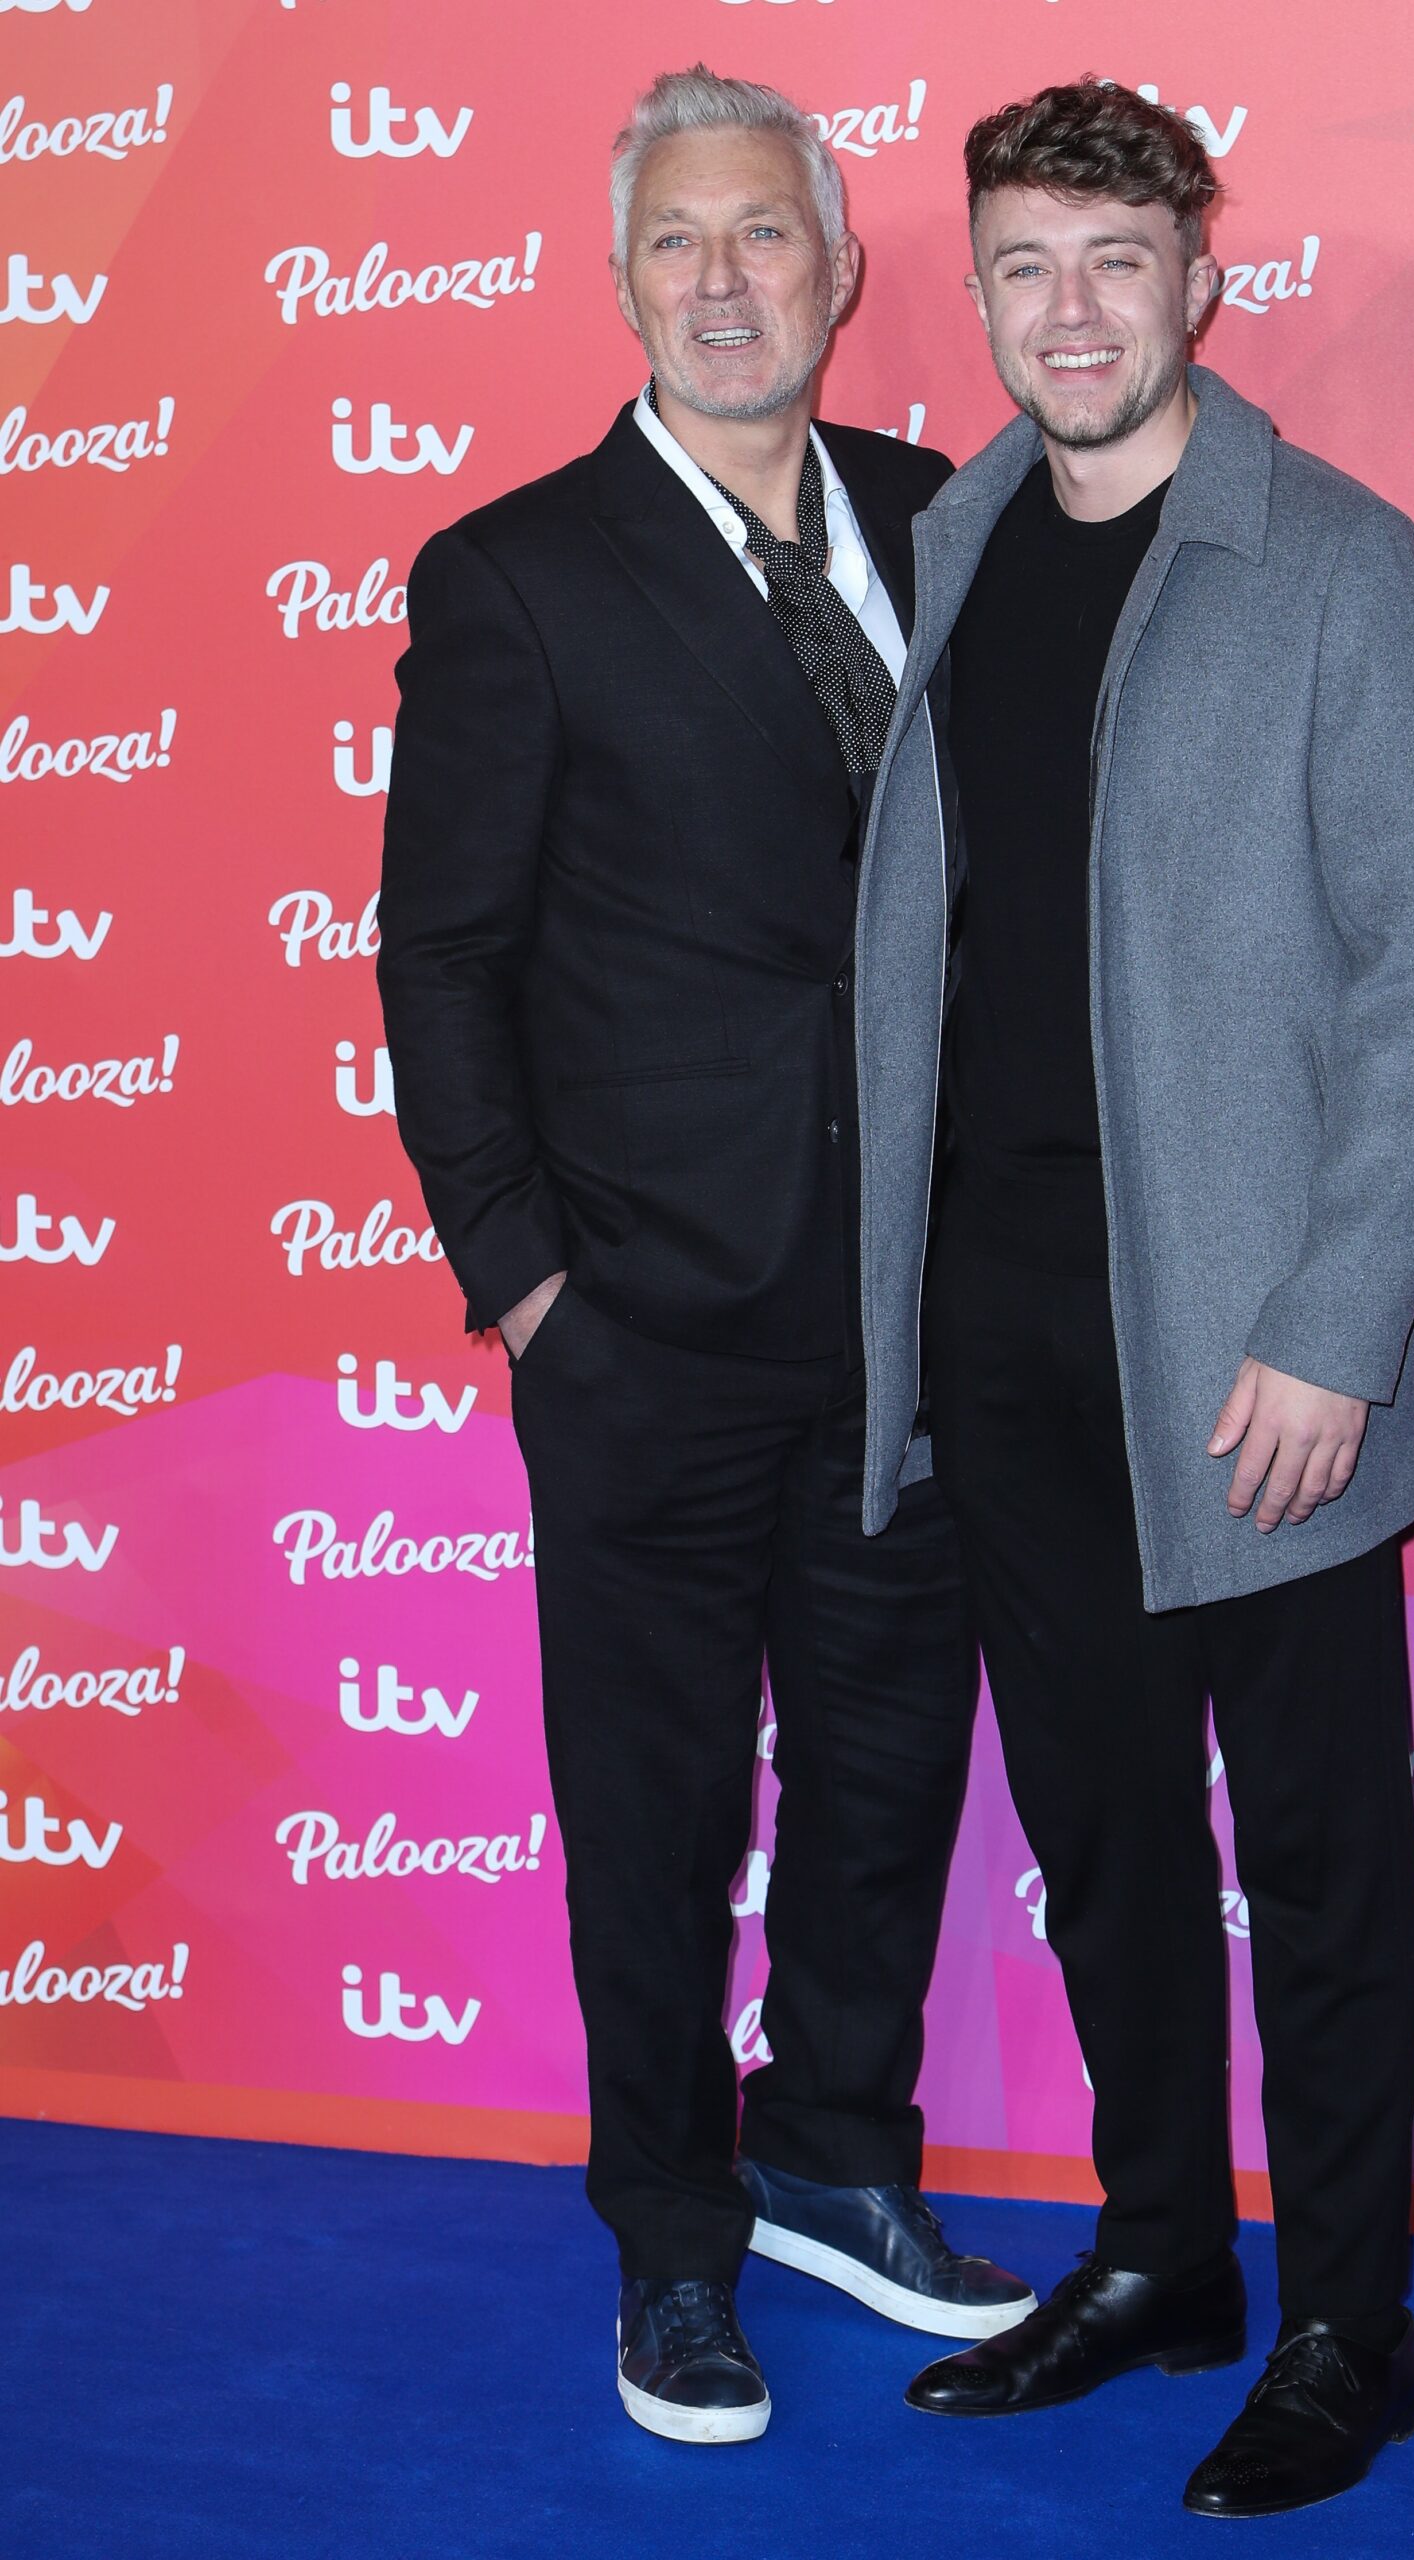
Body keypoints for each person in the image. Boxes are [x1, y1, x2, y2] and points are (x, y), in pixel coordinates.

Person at [851, 79, 1414, 2519]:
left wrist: (1336, 1319)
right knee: (1105, 1829)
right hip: (1007, 1325)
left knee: (1318, 1854)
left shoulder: (1334, 568)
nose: (1068, 310)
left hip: (1248, 1355)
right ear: (985, 292)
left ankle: (1345, 2313)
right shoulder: (954, 544)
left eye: (1116, 261)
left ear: (1200, 281)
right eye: (1024, 265)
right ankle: (1159, 2249)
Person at [377, 65, 1033, 2449]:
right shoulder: (517, 571)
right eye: (680, 243)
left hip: (918, 1310)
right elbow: (436, 955)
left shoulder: (943, 519)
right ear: (623, 278)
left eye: (767, 235)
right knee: (652, 1806)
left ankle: (838, 2165)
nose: (727, 280)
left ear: (844, 271)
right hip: (644, 1323)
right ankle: (669, 2235)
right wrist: (528, 1275)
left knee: (880, 1771)